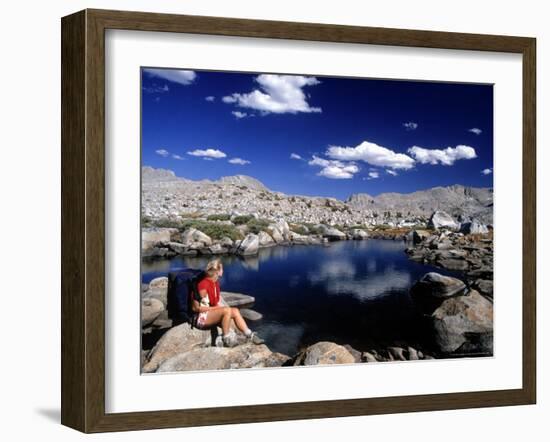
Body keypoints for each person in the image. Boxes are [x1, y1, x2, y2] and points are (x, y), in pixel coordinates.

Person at [191, 259, 264, 347]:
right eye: (222, 269)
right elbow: (195, 308)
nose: (223, 271)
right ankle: (226, 339)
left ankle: (249, 335)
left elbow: (213, 302)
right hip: (200, 318)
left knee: (235, 311)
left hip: (209, 314)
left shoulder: (214, 283)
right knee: (226, 310)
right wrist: (217, 308)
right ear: (217, 271)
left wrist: (217, 308)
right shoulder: (203, 285)